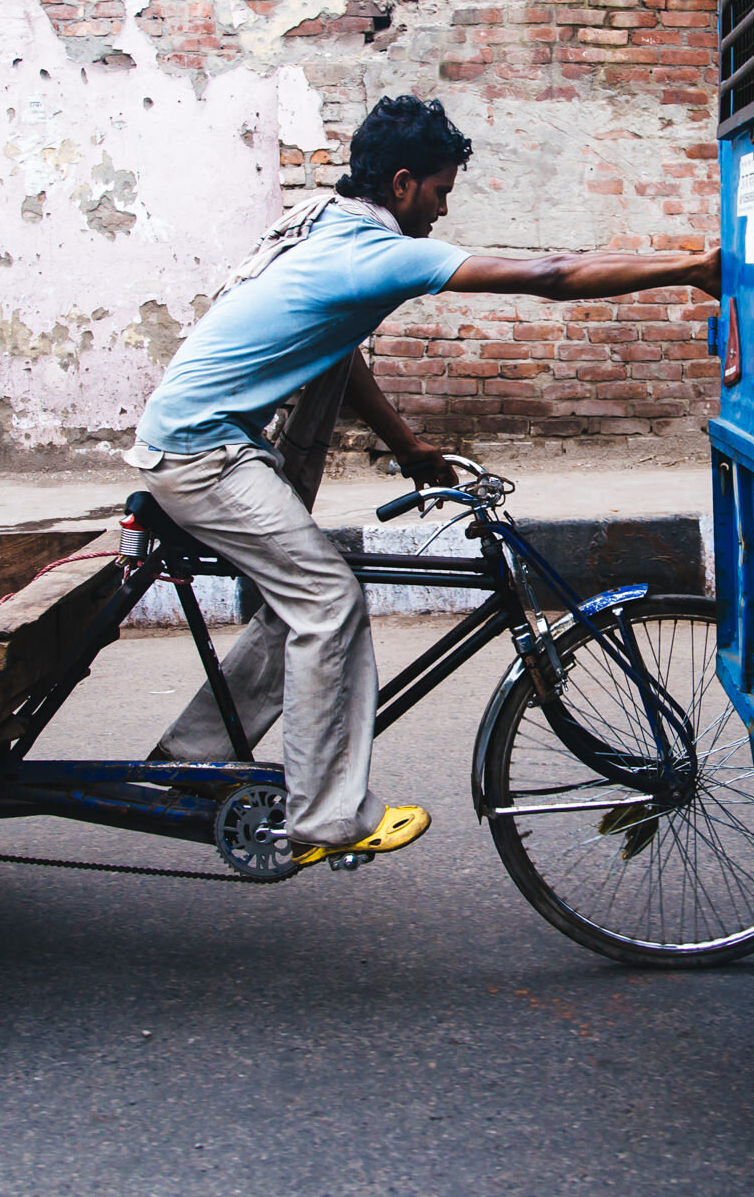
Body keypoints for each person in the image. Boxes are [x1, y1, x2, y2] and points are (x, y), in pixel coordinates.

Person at [126, 95, 720, 869]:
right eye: (440, 190)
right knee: (329, 600)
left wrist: (407, 448)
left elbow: (338, 348)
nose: (444, 208)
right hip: (201, 455)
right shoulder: (375, 252)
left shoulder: (321, 222)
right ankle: (324, 819)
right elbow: (551, 274)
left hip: (206, 442)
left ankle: (193, 763)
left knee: (297, 603)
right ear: (403, 184)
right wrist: (691, 266)